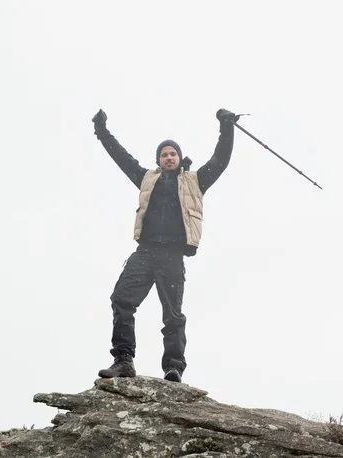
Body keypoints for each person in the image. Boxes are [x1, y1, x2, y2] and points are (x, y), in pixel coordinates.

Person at [92, 107, 238, 383]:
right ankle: (123, 360)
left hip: (172, 255)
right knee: (121, 299)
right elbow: (121, 157)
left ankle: (173, 367)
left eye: (173, 153)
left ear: (179, 158)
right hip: (145, 252)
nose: (169, 157)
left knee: (172, 314)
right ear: (158, 160)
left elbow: (221, 159)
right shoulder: (147, 178)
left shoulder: (196, 180)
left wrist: (226, 126)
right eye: (164, 154)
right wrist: (102, 131)